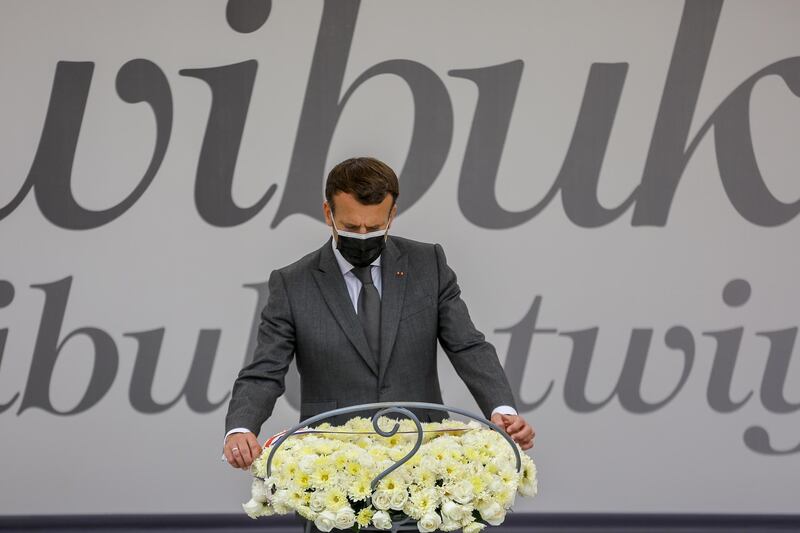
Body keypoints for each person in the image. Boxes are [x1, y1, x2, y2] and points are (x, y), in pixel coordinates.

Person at [222, 157, 534, 471]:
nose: (362, 235)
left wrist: (500, 408)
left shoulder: (429, 265)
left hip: (425, 455)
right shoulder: (292, 284)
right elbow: (265, 371)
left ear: (392, 214)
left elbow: (468, 346)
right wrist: (241, 428)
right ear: (328, 212)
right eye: (350, 226)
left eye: (374, 227)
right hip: (330, 463)